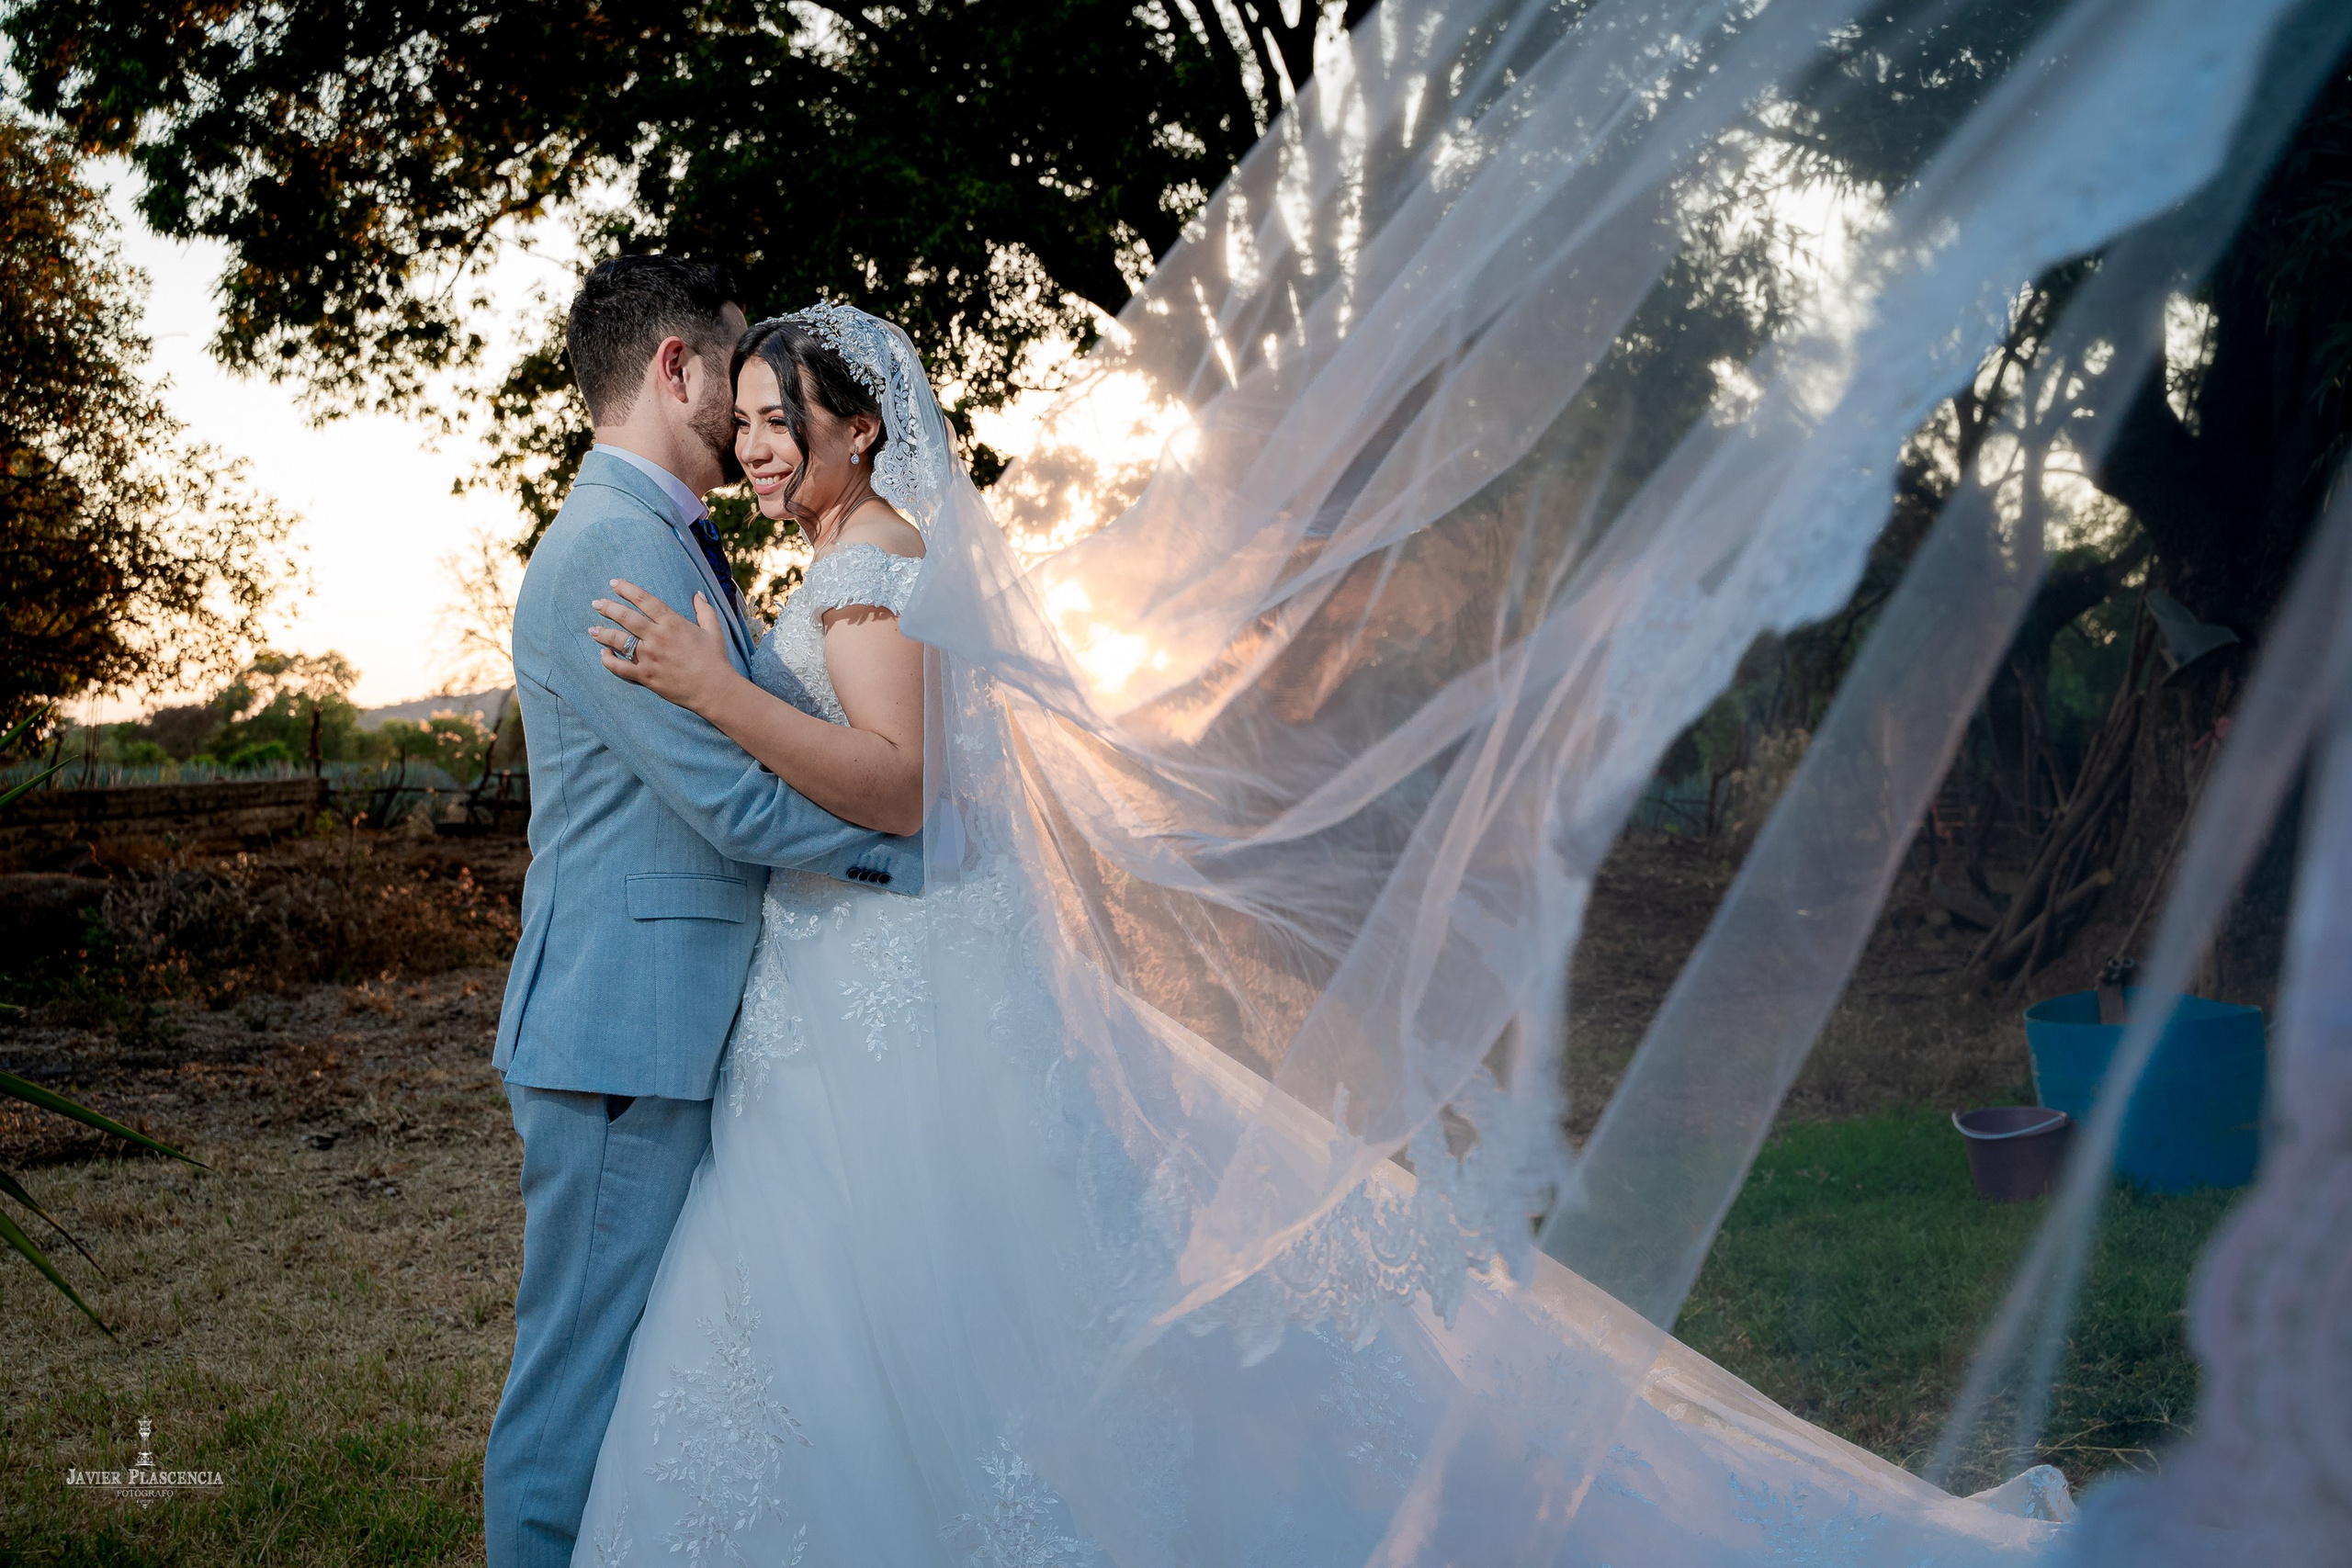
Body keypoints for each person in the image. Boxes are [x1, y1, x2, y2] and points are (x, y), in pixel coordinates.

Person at [564, 302, 2074, 1566]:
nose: (756, 448)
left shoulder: (869, 579)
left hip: (890, 992)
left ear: (864, 428)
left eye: (780, 420)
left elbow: (896, 793)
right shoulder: (855, 565)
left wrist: (715, 690)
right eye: (745, 422)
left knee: (946, 1303)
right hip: (850, 994)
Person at [484, 259, 921, 1568]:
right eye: (730, 381)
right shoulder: (615, 545)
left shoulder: (662, 533)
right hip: (621, 1030)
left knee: (639, 1372)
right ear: (673, 366)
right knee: (574, 1388)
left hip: (662, 1025)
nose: (746, 419)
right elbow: (731, 800)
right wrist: (915, 857)